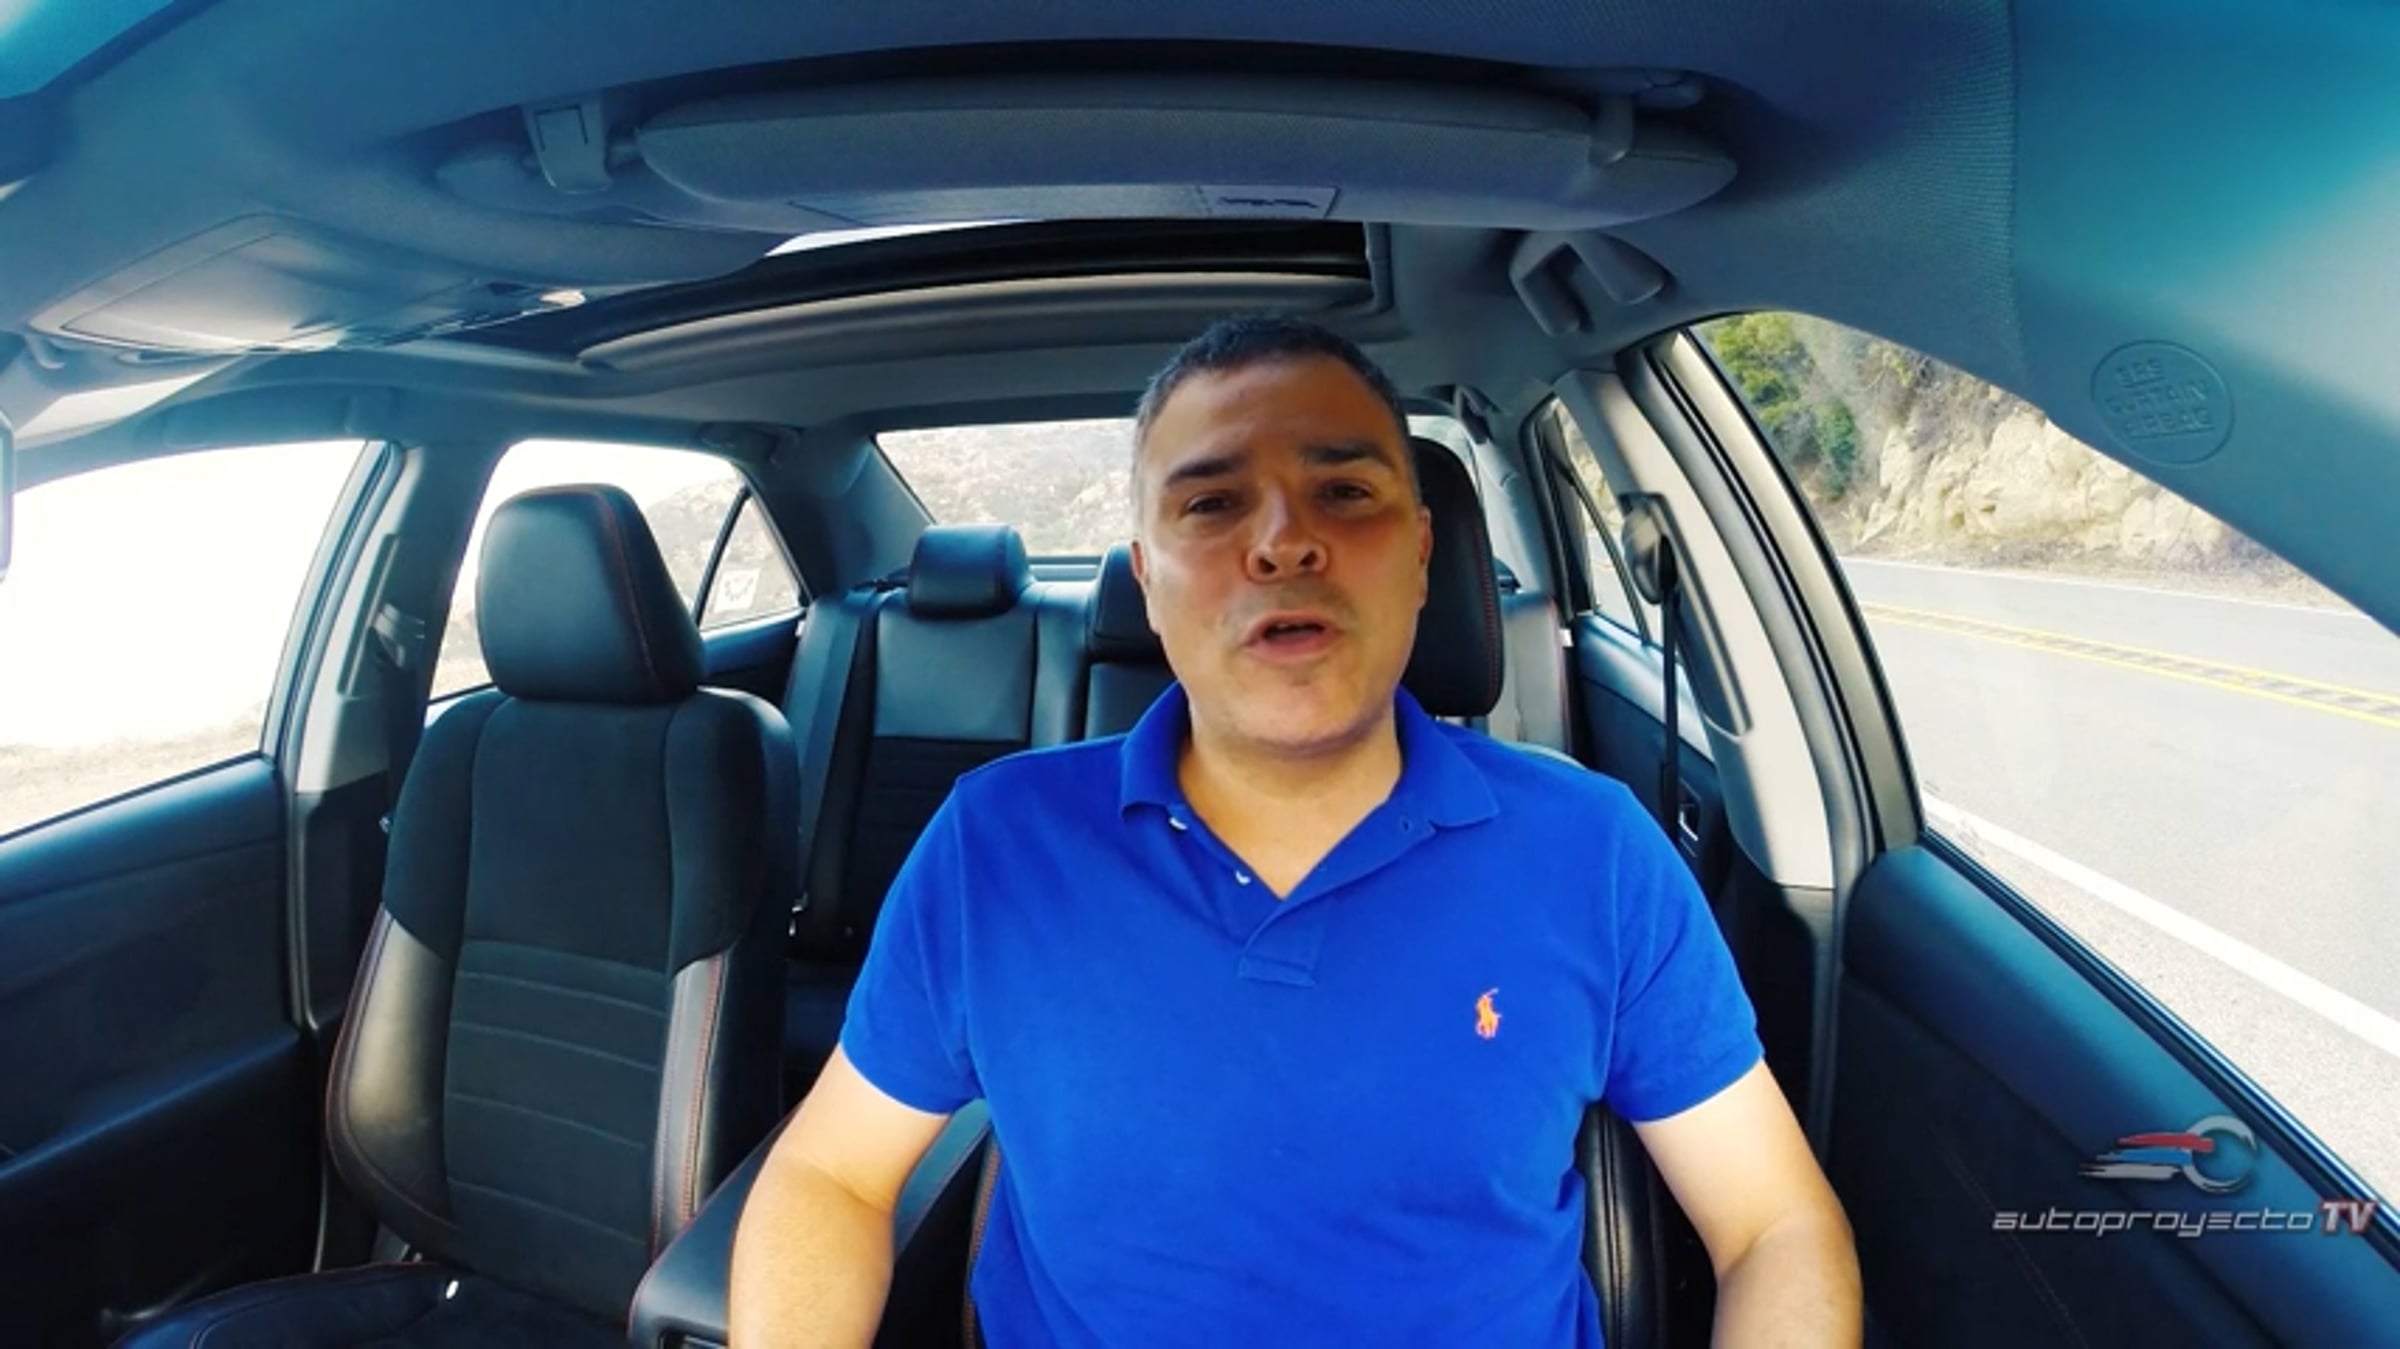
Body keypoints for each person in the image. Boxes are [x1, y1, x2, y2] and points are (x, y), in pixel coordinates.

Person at [729, 314, 1862, 1346]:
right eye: (1212, 503)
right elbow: (833, 1173)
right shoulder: (997, 845)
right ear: (1147, 581)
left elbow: (1772, 1223)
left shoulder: (1595, 852)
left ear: (1422, 552)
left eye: (1346, 492)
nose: (1283, 542)